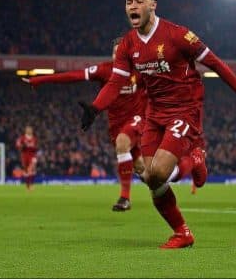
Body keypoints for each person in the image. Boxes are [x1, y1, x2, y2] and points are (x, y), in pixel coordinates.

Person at [79, 0, 236, 248]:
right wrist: (95, 108)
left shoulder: (178, 35)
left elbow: (216, 64)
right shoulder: (127, 45)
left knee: (161, 172)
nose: (133, 6)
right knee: (149, 176)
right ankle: (182, 233)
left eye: (139, 1)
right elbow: (116, 82)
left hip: (184, 110)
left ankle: (195, 159)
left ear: (153, 5)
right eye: (129, 2)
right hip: (154, 113)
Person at [23, 38, 147, 211]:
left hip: (137, 119)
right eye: (116, 53)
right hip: (115, 124)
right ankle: (162, 182)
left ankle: (124, 198)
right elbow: (74, 75)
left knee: (122, 142)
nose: (119, 56)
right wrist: (41, 80)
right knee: (141, 167)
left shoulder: (140, 70)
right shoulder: (105, 70)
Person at [15, 125, 38, 191]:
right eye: (28, 129)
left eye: (30, 129)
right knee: (27, 172)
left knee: (31, 169)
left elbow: (36, 147)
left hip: (33, 156)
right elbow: (17, 144)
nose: (29, 130)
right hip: (25, 156)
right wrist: (22, 146)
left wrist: (32, 147)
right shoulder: (22, 138)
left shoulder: (34, 138)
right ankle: (28, 186)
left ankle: (32, 185)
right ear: (26, 130)